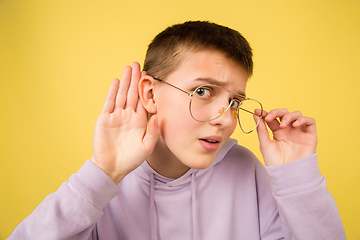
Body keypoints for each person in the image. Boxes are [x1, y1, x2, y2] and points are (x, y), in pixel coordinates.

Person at [8, 21, 345, 240]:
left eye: (235, 102)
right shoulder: (107, 184)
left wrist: (298, 178)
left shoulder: (246, 171)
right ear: (150, 93)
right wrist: (100, 174)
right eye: (203, 91)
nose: (225, 119)